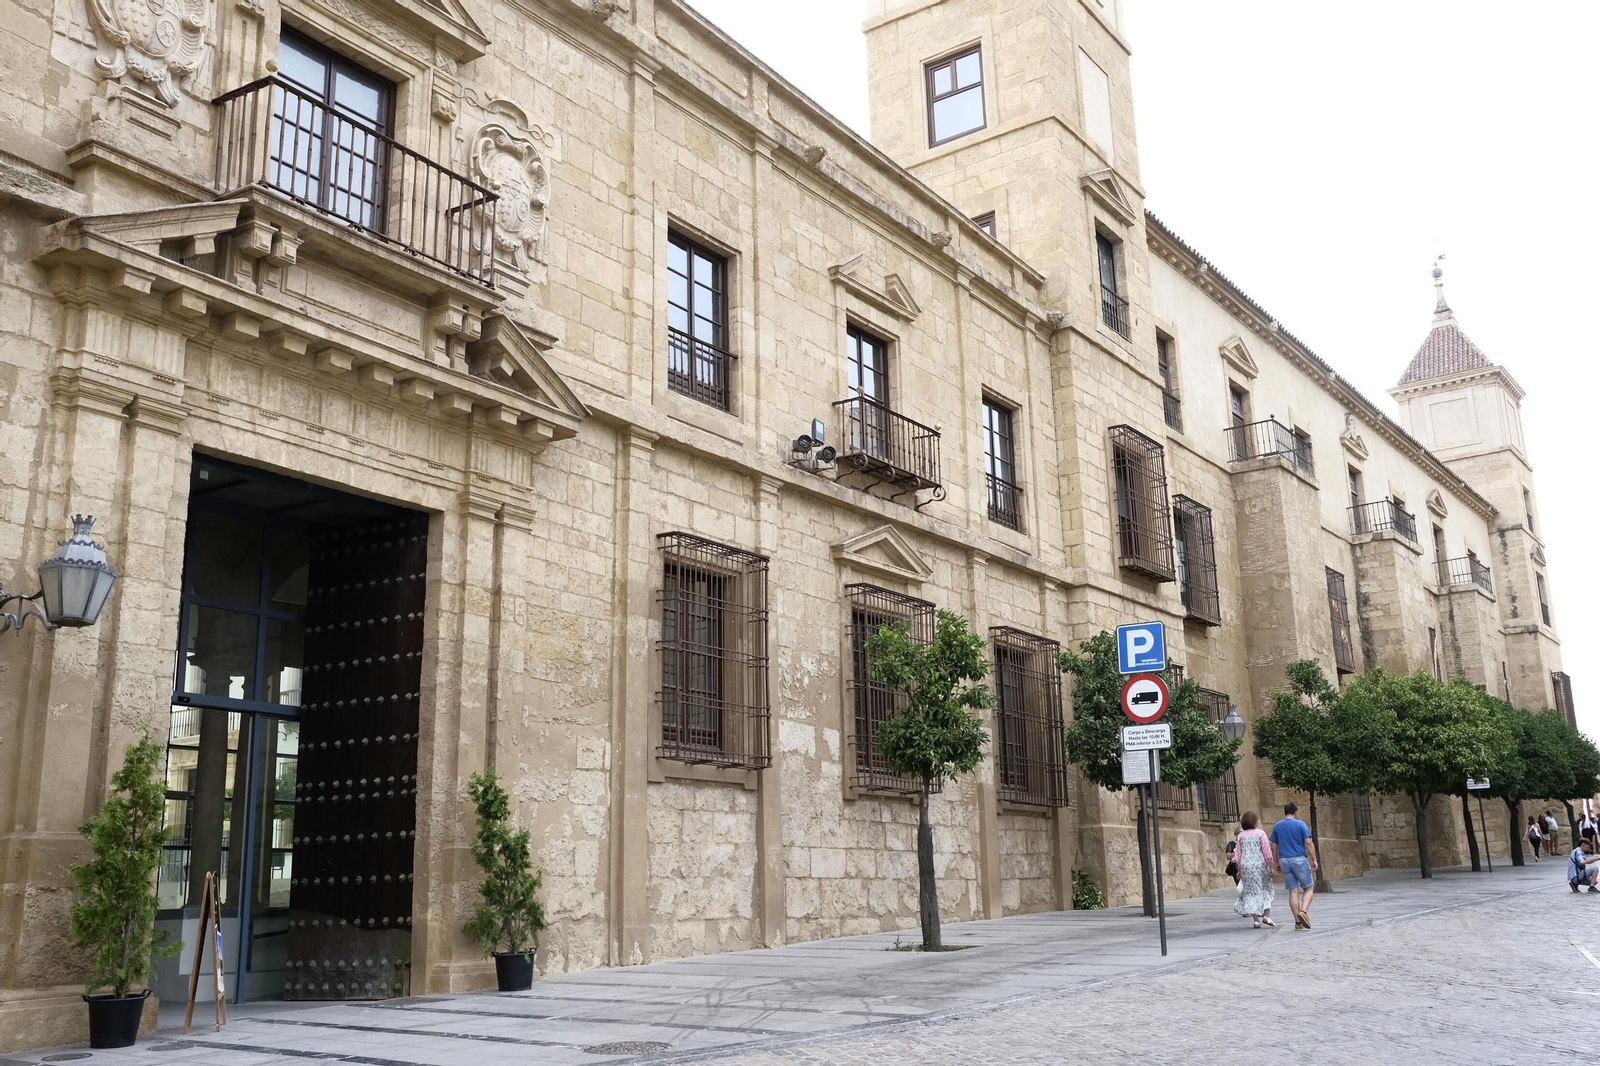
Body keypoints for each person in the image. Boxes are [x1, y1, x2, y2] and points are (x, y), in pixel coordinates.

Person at [1269, 802, 1320, 929]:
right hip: (1299, 859)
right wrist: (1314, 859)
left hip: (1285, 860)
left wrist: (1276, 862)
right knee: (1308, 888)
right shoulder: (1301, 824)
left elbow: (1273, 846)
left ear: (1285, 812)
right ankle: (1303, 911)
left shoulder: (1277, 826)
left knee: (1293, 891)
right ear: (1295, 812)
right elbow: (1308, 842)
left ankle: (1297, 922)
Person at [1233, 811, 1276, 929]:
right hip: (1260, 866)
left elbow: (1238, 855)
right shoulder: (1260, 834)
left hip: (1246, 867)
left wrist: (1239, 870)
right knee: (1266, 889)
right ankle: (1266, 916)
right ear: (1255, 821)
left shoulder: (1240, 836)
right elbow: (1267, 852)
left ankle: (1256, 920)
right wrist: (1271, 866)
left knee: (1251, 892)